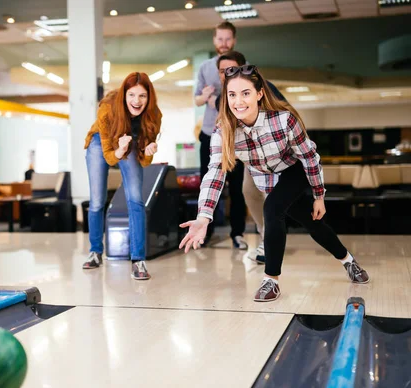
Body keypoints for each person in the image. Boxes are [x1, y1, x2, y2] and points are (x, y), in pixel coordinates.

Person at [179, 65, 370, 302]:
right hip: (268, 181)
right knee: (312, 223)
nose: (238, 101)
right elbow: (215, 172)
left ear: (259, 93)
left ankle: (271, 280)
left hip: (294, 171)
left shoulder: (284, 120)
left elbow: (309, 157)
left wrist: (319, 195)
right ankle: (349, 262)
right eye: (232, 94)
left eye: (245, 93)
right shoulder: (224, 131)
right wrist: (204, 216)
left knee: (271, 210)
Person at [83, 72, 162, 280]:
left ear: (149, 97)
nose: (137, 101)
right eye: (132, 95)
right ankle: (95, 251)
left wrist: (149, 150)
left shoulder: (154, 115)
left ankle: (138, 260)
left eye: (142, 96)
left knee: (136, 199)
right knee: (97, 200)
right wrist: (120, 149)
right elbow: (110, 157)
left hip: (131, 140)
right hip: (102, 142)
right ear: (124, 95)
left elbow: (144, 161)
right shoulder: (107, 108)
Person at [215, 51, 287, 264]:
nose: (226, 74)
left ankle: (270, 238)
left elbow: (285, 113)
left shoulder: (265, 87)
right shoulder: (223, 97)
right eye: (222, 71)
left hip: (276, 153)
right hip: (251, 155)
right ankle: (265, 231)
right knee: (248, 191)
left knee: (270, 197)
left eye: (231, 69)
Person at [195, 21, 248, 250]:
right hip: (210, 133)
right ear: (214, 40)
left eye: (228, 39)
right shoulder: (205, 68)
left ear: (233, 40)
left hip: (237, 136)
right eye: (220, 39)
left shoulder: (245, 67)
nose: (223, 43)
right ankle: (204, 231)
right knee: (207, 184)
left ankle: (238, 233)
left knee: (237, 188)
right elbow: (196, 99)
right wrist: (205, 96)